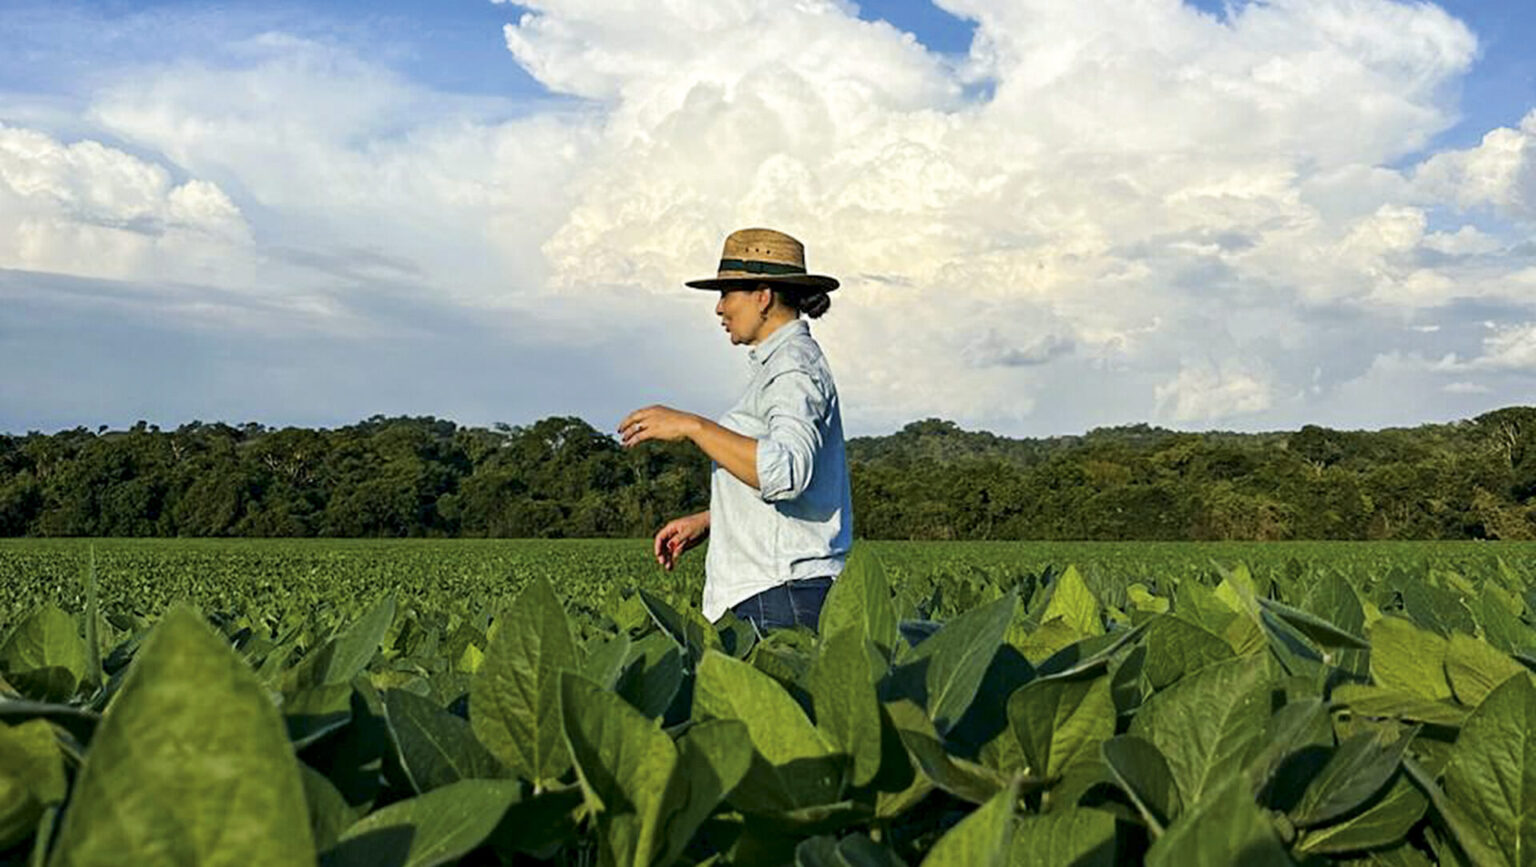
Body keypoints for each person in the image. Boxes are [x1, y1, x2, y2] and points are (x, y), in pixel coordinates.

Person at [617, 228, 853, 632]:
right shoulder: (780, 365)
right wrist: (713, 519)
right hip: (778, 592)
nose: (719, 309)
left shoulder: (792, 367)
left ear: (763, 296)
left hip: (782, 595)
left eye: (727, 293)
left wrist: (692, 426)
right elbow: (796, 483)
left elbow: (786, 473)